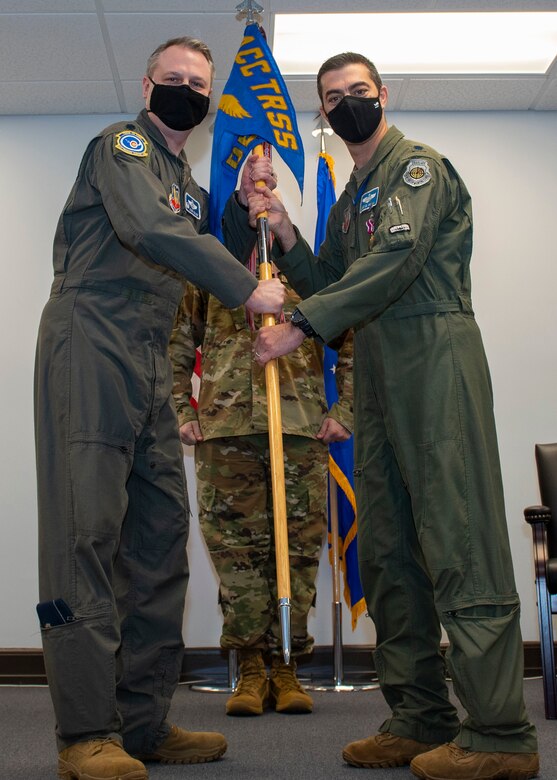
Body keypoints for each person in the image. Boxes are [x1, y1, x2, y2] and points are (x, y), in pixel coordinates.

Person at [248, 52, 540, 780]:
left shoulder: (417, 169)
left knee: (457, 538)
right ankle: (418, 717)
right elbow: (341, 281)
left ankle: (501, 736)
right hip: (375, 371)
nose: (347, 104)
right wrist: (286, 234)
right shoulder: (352, 198)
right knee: (387, 552)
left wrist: (300, 326)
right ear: (321, 115)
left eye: (358, 92)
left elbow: (395, 264)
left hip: (434, 359)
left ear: (385, 95)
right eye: (332, 98)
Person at [34, 36, 284, 780]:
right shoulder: (124, 148)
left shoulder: (189, 184)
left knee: (158, 540)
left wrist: (242, 214)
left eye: (197, 83)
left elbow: (195, 242)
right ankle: (85, 734)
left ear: (208, 101)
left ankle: (142, 724)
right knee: (86, 536)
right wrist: (249, 291)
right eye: (172, 79)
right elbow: (148, 230)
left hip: (148, 358)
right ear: (148, 87)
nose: (185, 90)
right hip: (90, 341)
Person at [169, 186, 353, 715]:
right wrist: (182, 411)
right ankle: (250, 668)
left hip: (297, 428)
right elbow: (178, 342)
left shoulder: (308, 272)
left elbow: (353, 333)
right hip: (227, 433)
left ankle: (289, 667)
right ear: (238, 205)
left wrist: (347, 411)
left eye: (269, 193)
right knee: (237, 555)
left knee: (294, 551)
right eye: (251, 191)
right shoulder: (212, 269)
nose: (260, 202)